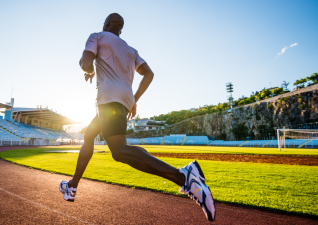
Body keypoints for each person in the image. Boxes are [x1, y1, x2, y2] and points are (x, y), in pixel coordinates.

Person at [59, 13, 216, 221]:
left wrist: (88, 69)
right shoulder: (131, 51)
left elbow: (85, 62)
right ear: (120, 29)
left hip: (109, 101)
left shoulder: (97, 36)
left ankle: (183, 176)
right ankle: (72, 186)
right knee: (89, 136)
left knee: (119, 151)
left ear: (106, 24)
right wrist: (135, 99)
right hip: (121, 102)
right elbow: (149, 74)